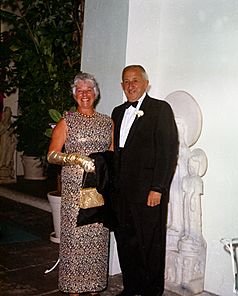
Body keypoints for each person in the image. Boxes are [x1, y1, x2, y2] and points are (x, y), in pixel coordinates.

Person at [111, 65, 179, 296]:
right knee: (126, 242)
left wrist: (158, 187)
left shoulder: (160, 109)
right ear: (122, 86)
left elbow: (168, 152)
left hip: (148, 192)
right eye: (126, 81)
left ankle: (152, 291)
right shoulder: (117, 112)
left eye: (135, 80)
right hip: (122, 193)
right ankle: (132, 287)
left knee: (150, 244)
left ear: (145, 84)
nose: (130, 85)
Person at [47, 72, 113, 296]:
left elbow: (112, 155)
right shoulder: (67, 121)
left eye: (89, 90)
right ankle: (74, 289)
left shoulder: (107, 122)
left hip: (99, 189)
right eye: (80, 90)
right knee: (75, 241)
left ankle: (94, 288)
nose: (85, 94)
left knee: (97, 239)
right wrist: (76, 158)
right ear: (75, 95)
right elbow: (52, 155)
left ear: (96, 94)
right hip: (75, 191)